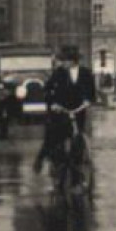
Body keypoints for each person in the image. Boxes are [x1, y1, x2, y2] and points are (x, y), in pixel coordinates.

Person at [35, 45, 96, 174]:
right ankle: (41, 159)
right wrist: (53, 104)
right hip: (60, 109)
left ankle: (77, 166)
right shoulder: (59, 73)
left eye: (66, 61)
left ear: (74, 61)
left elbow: (91, 91)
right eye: (63, 61)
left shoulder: (86, 73)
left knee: (78, 136)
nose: (64, 63)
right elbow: (48, 89)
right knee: (53, 135)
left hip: (78, 109)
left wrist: (88, 101)